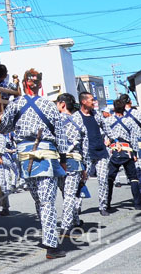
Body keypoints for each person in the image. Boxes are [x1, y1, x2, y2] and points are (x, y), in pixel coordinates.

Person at [0, 68, 68, 259]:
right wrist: (63, 160)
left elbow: (4, 127)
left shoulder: (15, 104)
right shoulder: (49, 105)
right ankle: (52, 245)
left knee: (39, 200)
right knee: (47, 202)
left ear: (23, 84)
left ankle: (48, 235)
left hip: (24, 157)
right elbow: (60, 134)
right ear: (40, 85)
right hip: (46, 156)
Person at [104, 98, 141, 211]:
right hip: (127, 150)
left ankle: (107, 203)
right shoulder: (129, 121)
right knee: (133, 178)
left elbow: (105, 136)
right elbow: (133, 139)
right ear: (124, 108)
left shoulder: (108, 121)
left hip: (113, 151)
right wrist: (134, 153)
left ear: (113, 108)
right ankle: (138, 203)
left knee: (110, 178)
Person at [76, 91, 114, 216]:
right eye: (92, 100)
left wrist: (112, 138)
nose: (94, 102)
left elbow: (106, 126)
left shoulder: (96, 114)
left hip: (101, 151)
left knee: (103, 179)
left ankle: (103, 206)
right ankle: (76, 207)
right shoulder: (77, 116)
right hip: (86, 154)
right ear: (84, 101)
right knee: (81, 181)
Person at [55, 93, 86, 235]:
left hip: (58, 161)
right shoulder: (79, 121)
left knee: (65, 193)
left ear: (62, 104)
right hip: (75, 160)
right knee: (70, 195)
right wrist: (85, 166)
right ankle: (72, 221)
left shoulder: (55, 120)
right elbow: (85, 146)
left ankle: (68, 224)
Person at [120, 94, 141, 195]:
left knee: (129, 168)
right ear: (130, 102)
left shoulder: (118, 116)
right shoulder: (139, 114)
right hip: (139, 143)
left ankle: (134, 189)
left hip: (125, 145)